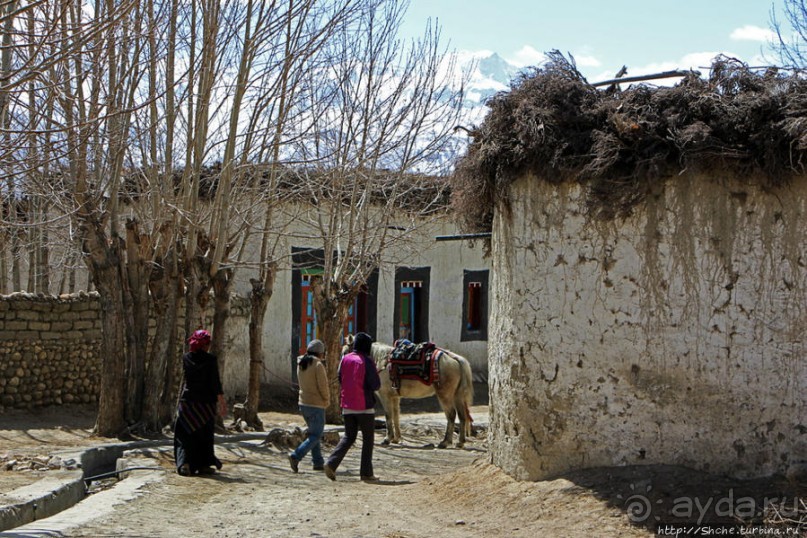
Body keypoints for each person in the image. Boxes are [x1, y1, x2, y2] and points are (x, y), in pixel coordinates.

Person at [323, 332, 381, 482]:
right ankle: (366, 473)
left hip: (347, 406)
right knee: (368, 439)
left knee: (349, 437)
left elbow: (340, 378)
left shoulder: (345, 359)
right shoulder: (367, 361)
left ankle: (331, 463)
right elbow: (376, 384)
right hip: (365, 407)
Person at [174, 329, 227, 476]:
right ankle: (203, 465)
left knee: (185, 435)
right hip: (205, 404)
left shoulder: (186, 358)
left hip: (188, 403)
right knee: (204, 435)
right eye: (208, 343)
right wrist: (222, 402)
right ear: (205, 345)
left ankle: (185, 464)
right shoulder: (211, 360)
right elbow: (215, 383)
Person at [288, 339, 330, 473]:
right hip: (316, 404)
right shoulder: (318, 365)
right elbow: (323, 386)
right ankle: (296, 456)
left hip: (303, 402)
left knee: (313, 433)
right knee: (316, 435)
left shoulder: (301, 363)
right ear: (320, 353)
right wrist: (327, 400)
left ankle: (318, 462)